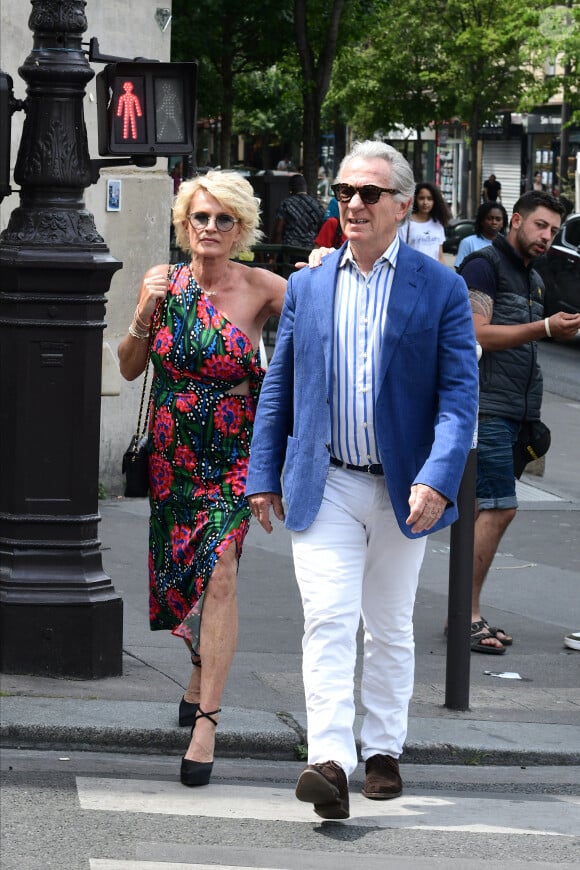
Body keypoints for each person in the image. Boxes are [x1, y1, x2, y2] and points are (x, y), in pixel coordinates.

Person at [246, 140, 479, 820]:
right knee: (328, 619)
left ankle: (382, 749)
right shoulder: (312, 283)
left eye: (369, 194)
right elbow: (280, 384)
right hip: (328, 480)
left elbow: (460, 397)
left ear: (403, 206)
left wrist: (439, 477)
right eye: (344, 191)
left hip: (406, 485)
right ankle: (329, 761)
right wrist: (264, 473)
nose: (352, 203)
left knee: (389, 625)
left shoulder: (441, 287)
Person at [117, 170, 286, 787]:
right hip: (171, 456)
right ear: (184, 224)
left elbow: (318, 333)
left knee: (220, 572)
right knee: (182, 580)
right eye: (200, 218)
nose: (210, 228)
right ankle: (197, 673)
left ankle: (207, 722)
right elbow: (131, 370)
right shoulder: (164, 284)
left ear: (241, 229)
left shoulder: (266, 288)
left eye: (223, 220)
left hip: (233, 456)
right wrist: (142, 312)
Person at [458, 191, 580, 654]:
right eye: (540, 226)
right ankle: (465, 616)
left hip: (516, 413)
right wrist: (546, 328)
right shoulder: (484, 265)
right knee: (497, 507)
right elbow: (477, 334)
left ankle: (466, 613)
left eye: (552, 230)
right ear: (516, 220)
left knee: (484, 510)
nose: (546, 237)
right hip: (486, 409)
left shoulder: (533, 278)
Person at [398, 182, 449, 263]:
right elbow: (400, 253)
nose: (425, 202)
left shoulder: (438, 224)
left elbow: (440, 256)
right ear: (415, 199)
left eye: (429, 199)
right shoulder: (405, 224)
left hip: (434, 272)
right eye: (421, 198)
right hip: (414, 271)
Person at [271, 174, 325, 248]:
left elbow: (278, 230)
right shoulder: (318, 205)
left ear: (290, 188)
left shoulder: (286, 204)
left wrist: (273, 254)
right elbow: (322, 229)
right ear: (306, 187)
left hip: (290, 250)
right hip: (310, 251)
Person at [454, 201, 508, 269]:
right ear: (481, 221)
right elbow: (459, 270)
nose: (494, 222)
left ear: (503, 223)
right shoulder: (468, 242)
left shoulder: (507, 245)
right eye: (489, 218)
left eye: (498, 219)